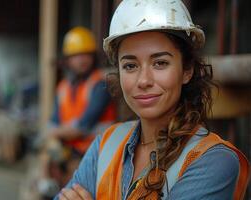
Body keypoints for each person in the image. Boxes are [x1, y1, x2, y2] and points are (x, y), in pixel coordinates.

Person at [55, 0, 250, 200]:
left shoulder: (214, 160)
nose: (144, 80)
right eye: (130, 66)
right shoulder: (106, 145)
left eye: (160, 63)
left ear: (187, 70)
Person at [37, 26, 116, 198]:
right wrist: (53, 137)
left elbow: (83, 126)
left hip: (96, 155)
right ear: (68, 59)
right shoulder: (63, 87)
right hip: (69, 151)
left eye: (85, 54)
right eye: (75, 55)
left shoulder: (100, 83)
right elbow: (54, 122)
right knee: (47, 159)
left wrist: (54, 133)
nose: (81, 60)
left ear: (93, 56)